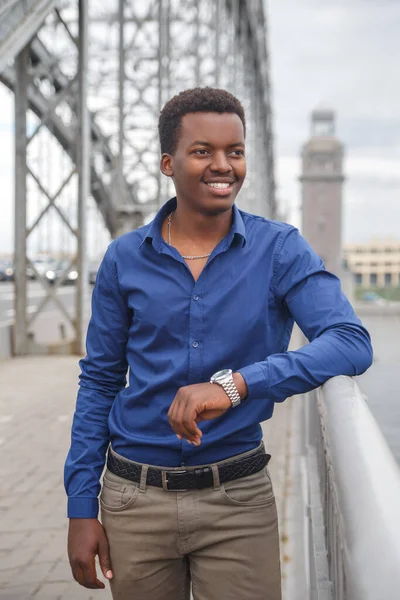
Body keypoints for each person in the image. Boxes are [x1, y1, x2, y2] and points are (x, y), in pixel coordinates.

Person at [64, 87, 373, 600]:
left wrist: (238, 384)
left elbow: (350, 340)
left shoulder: (279, 249)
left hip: (238, 502)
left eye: (235, 151)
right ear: (168, 162)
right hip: (132, 501)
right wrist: (80, 508)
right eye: (202, 151)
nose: (222, 165)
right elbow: (99, 382)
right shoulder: (123, 259)